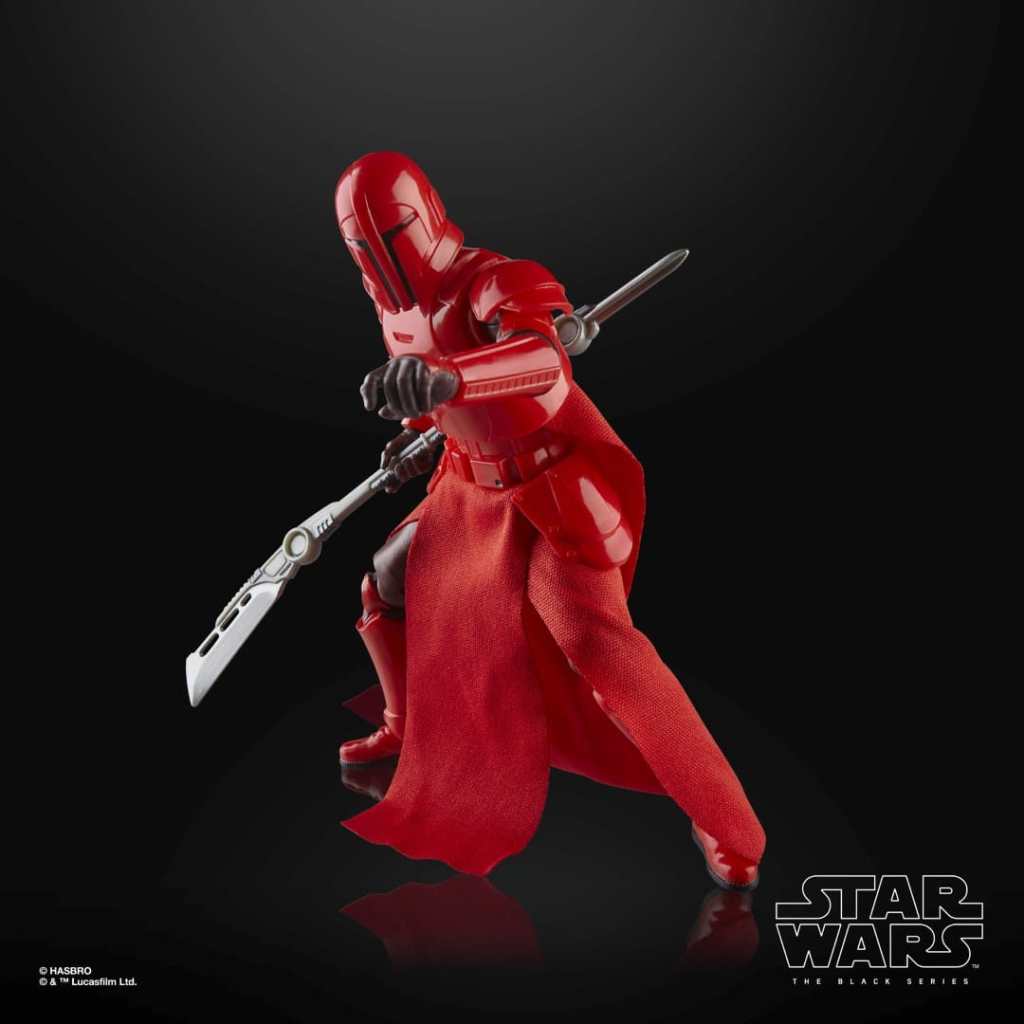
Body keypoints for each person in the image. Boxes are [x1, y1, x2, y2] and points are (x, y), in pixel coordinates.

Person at [335, 151, 765, 889]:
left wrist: (448, 379)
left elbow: (540, 363)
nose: (384, 257)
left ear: (426, 219)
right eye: (364, 245)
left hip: (549, 488)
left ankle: (726, 822)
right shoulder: (393, 313)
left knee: (603, 653)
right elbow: (442, 406)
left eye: (394, 234)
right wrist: (418, 432)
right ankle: (405, 725)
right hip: (466, 486)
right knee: (386, 581)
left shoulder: (496, 281)